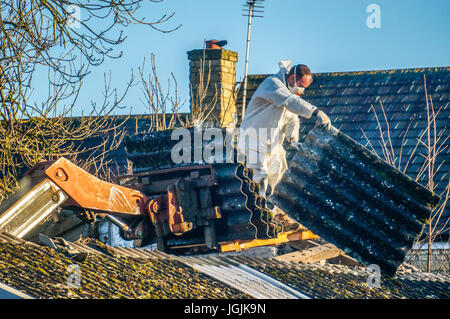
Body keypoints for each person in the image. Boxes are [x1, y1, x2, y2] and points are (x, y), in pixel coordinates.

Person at [238, 59, 332, 197]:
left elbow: (292, 118)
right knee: (259, 177)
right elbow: (289, 101)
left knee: (280, 177)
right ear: (293, 78)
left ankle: (276, 211)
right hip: (254, 140)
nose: (302, 91)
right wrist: (315, 111)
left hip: (273, 144)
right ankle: (258, 212)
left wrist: (293, 138)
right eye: (301, 86)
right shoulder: (273, 84)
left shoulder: (288, 94)